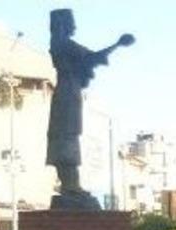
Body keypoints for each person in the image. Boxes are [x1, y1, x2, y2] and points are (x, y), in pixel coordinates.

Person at [46, 9, 134, 206]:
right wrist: (117, 45)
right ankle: (70, 184)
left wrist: (116, 45)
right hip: (67, 94)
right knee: (66, 135)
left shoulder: (62, 44)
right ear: (63, 24)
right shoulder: (63, 44)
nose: (74, 26)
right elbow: (92, 58)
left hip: (69, 93)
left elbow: (89, 59)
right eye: (71, 22)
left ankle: (71, 183)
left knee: (68, 135)